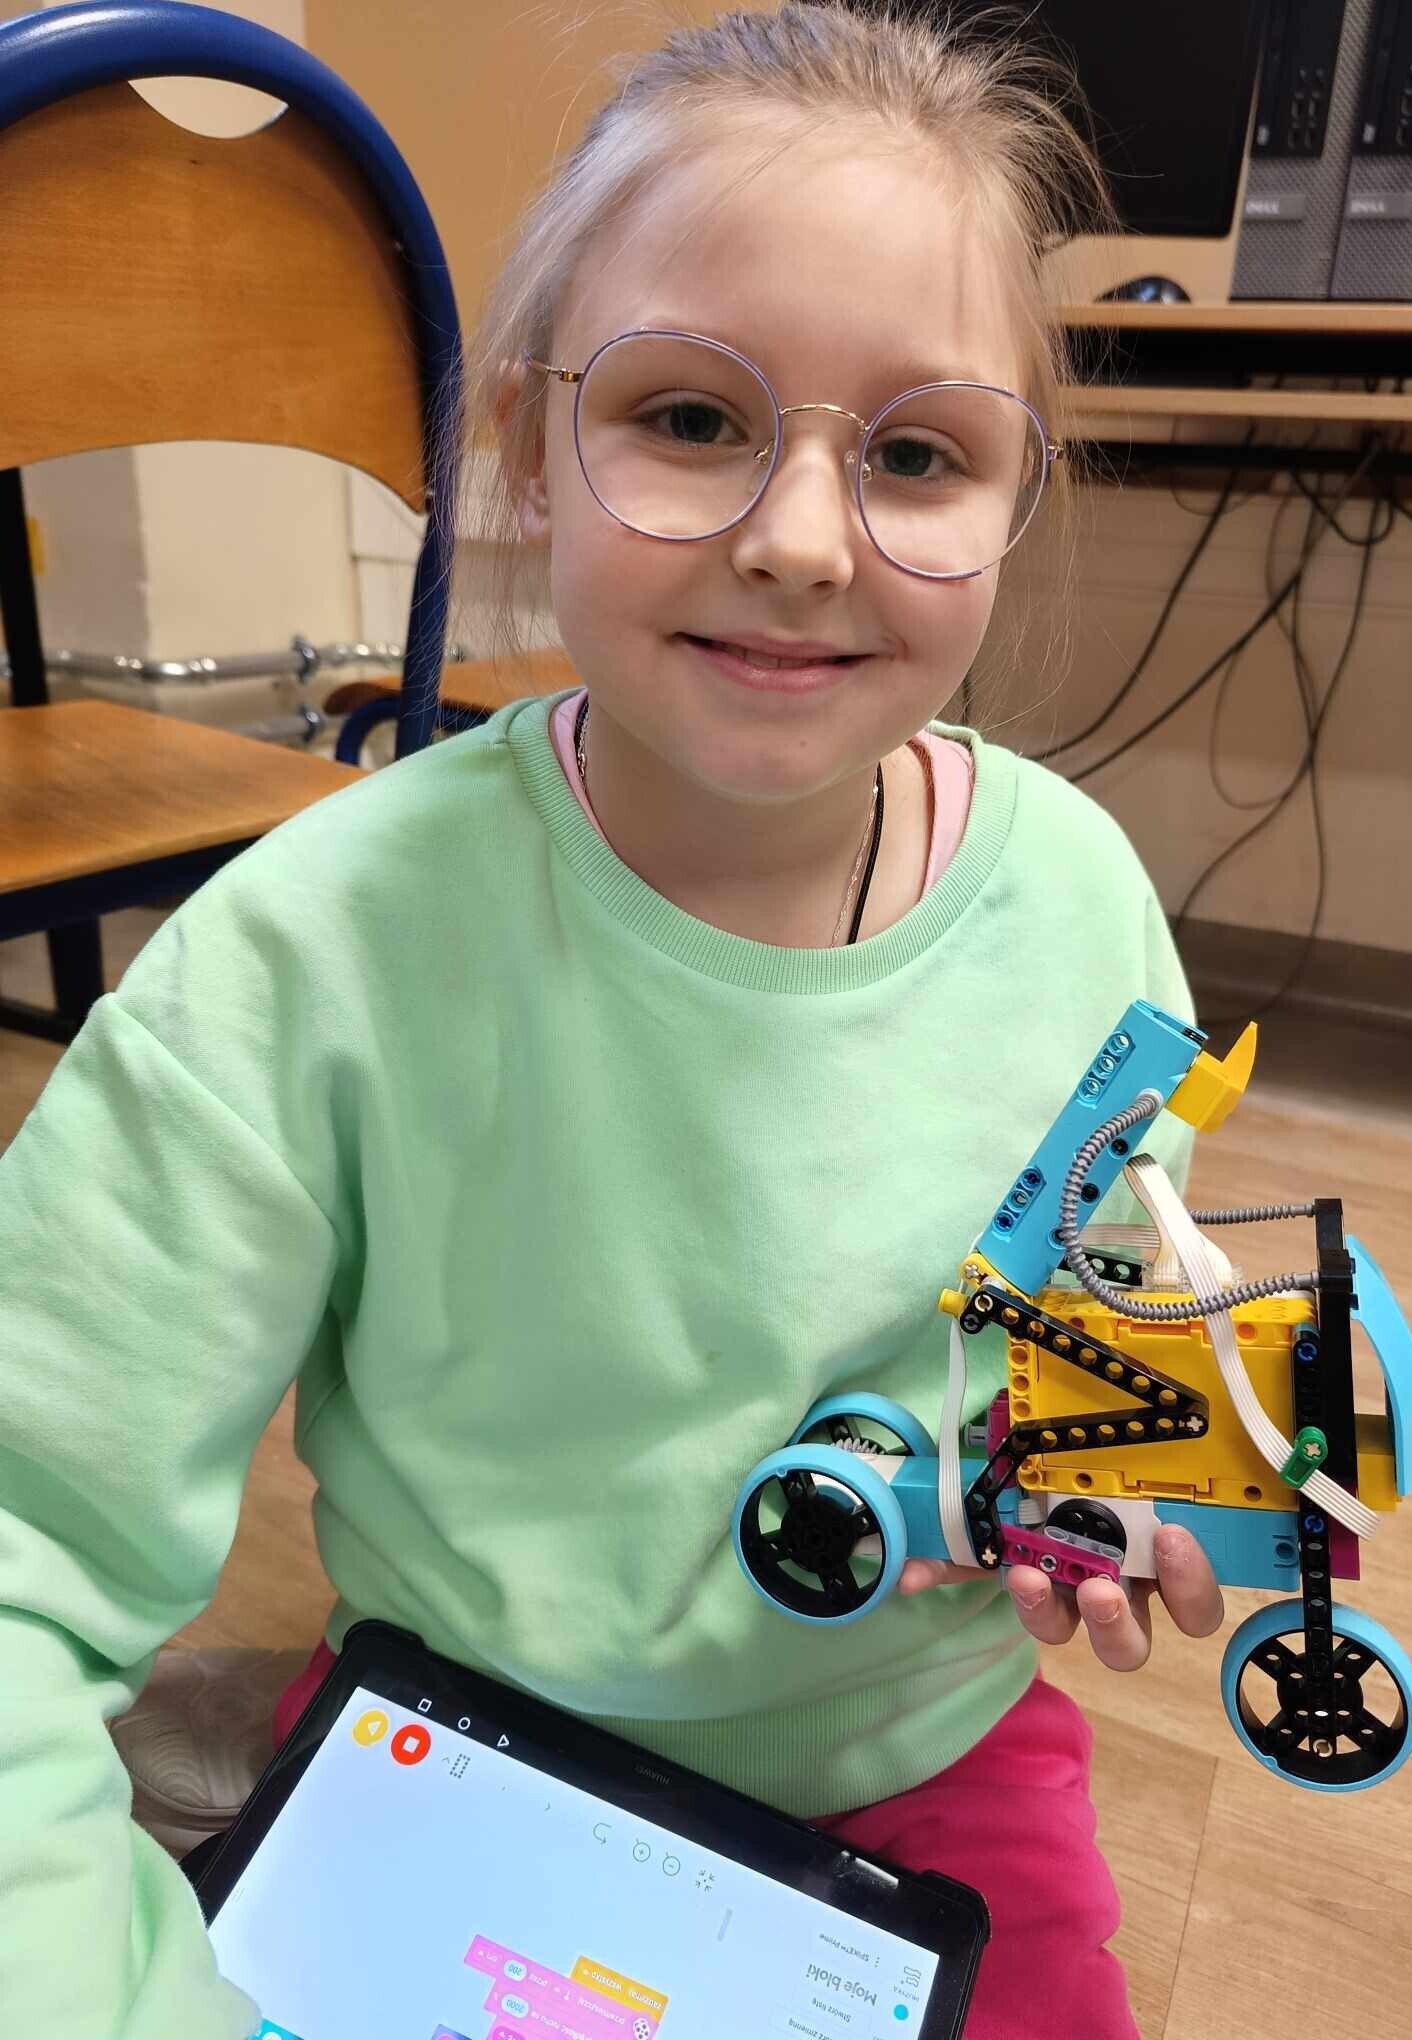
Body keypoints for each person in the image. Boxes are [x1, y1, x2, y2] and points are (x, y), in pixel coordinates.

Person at [0, 5, 1226, 2034]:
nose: (802, 541)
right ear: (521, 446)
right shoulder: (310, 957)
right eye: (688, 416)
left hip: (926, 1768)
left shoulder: (1083, 909)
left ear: (1019, 495)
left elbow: (1093, 1294)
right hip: (461, 1746)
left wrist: (1108, 1458)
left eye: (918, 453)